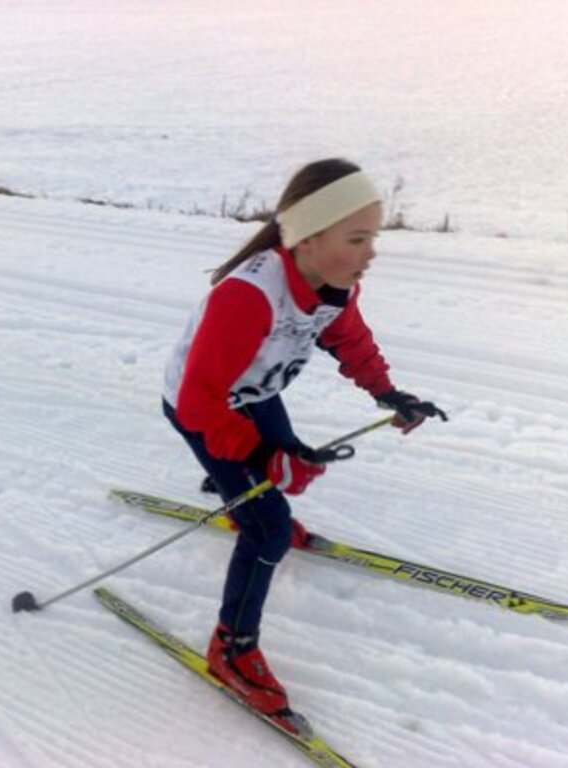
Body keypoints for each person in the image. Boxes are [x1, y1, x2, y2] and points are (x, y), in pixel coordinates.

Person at [161, 158, 446, 720]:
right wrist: (262, 455)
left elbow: (349, 340)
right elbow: (201, 403)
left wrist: (388, 394)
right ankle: (232, 649)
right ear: (309, 237)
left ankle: (243, 499)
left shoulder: (332, 284)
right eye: (357, 238)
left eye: (373, 238)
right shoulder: (247, 296)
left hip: (255, 396)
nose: (371, 253)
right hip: (204, 408)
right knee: (267, 525)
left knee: (282, 468)